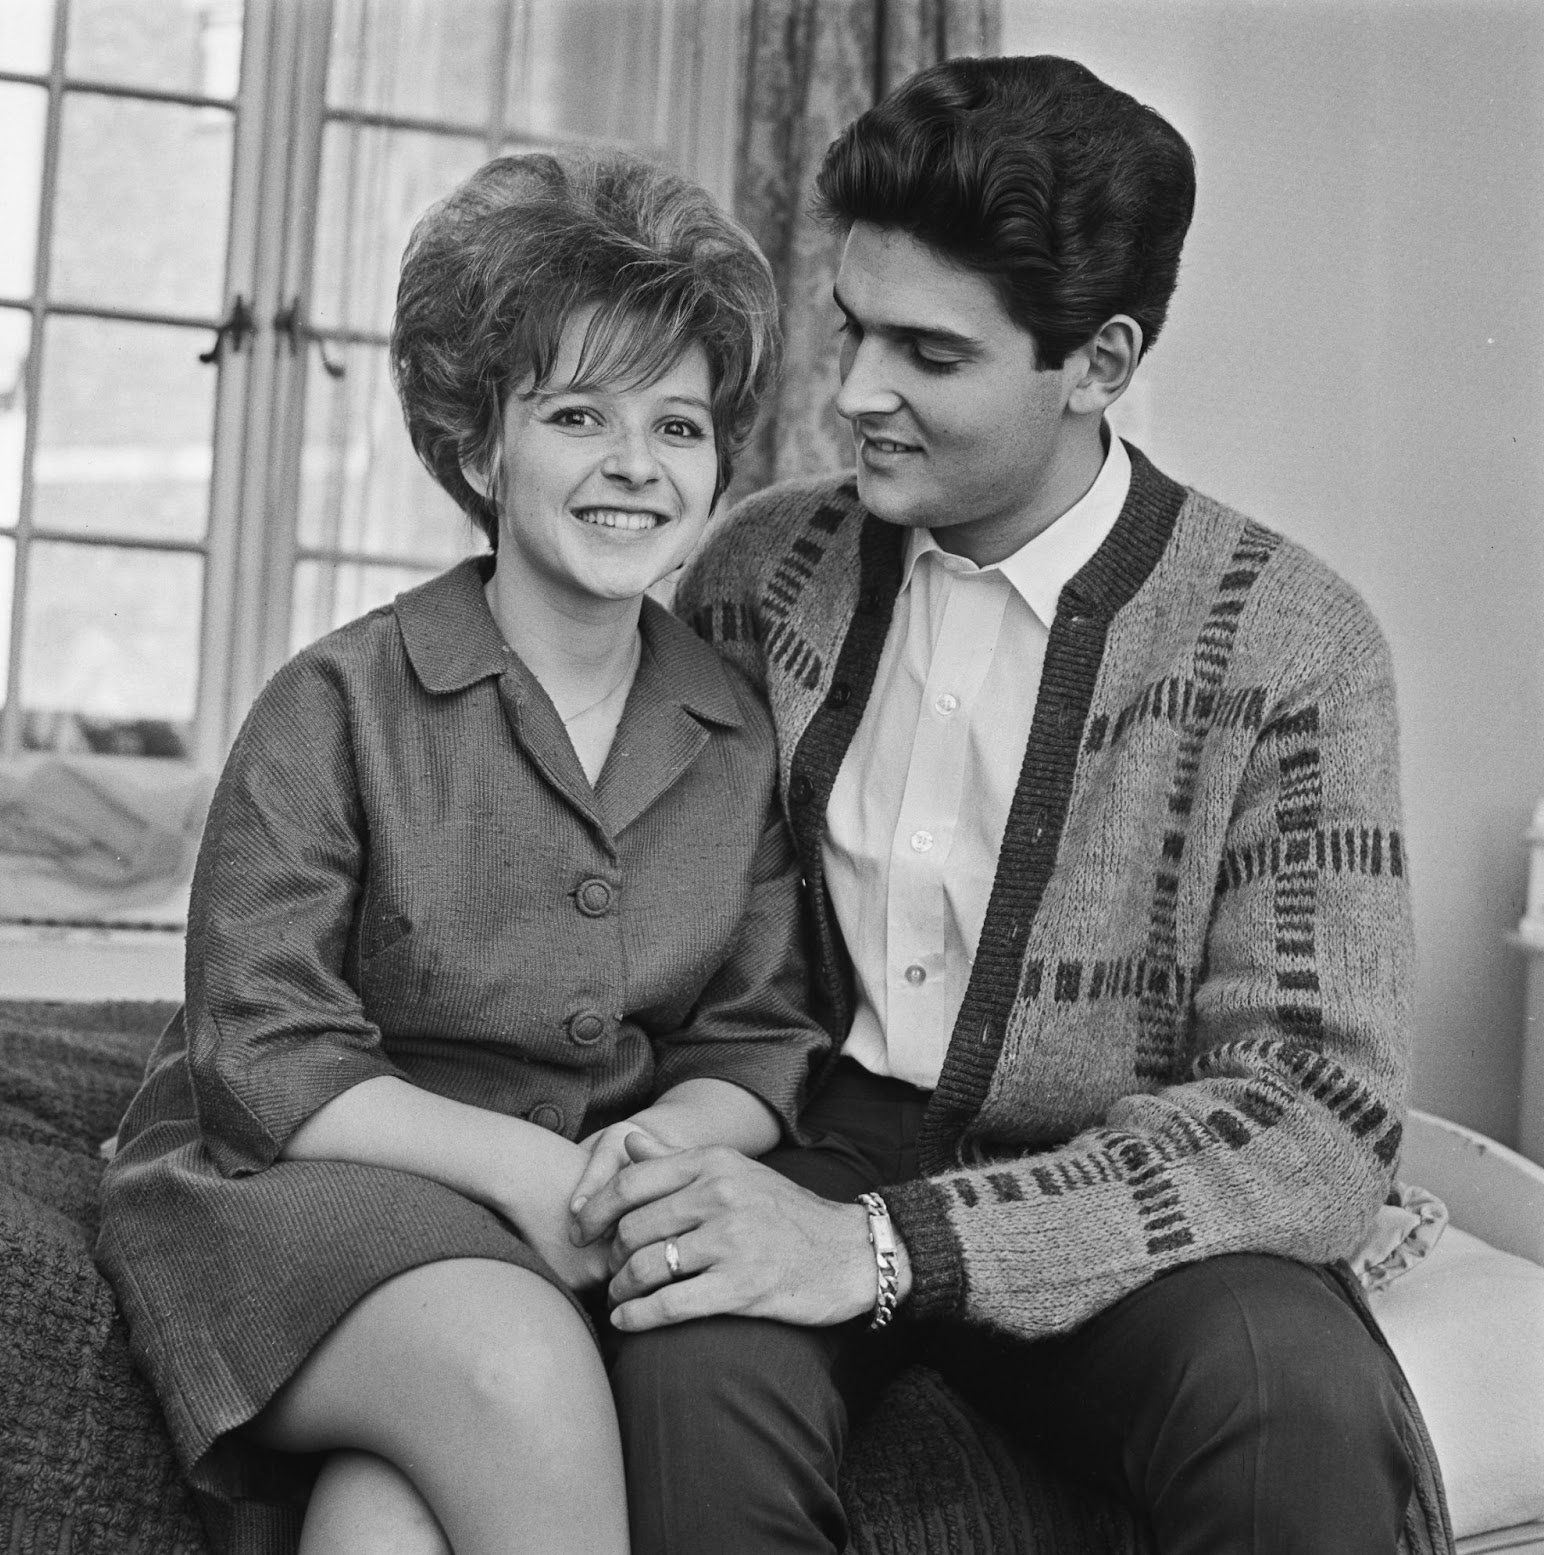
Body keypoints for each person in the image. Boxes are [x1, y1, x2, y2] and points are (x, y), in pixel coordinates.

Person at [573, 54, 1441, 1554]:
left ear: (1096, 362)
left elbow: (1315, 1117)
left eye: (929, 352)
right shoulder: (752, 574)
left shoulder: (1295, 647)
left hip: (1115, 1177)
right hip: (804, 1132)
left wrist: (886, 1251)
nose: (854, 395)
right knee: (683, 1362)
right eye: (852, 328)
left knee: (1287, 1391)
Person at [96, 148, 826, 1555]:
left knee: (390, 1525)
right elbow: (264, 1052)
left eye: (679, 427)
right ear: (479, 443)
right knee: (507, 1365)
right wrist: (530, 1175)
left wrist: (648, 1161)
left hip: (563, 1212)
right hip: (284, 1192)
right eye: (578, 415)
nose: (635, 465)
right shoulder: (338, 700)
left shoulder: (735, 735)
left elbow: (761, 1044)